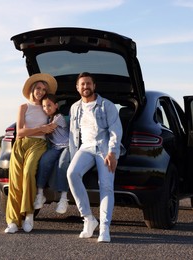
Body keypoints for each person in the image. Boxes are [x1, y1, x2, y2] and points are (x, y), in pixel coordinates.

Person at [67, 72, 123, 243]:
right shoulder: (75, 108)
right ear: (77, 88)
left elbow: (115, 130)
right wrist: (72, 156)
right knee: (72, 174)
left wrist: (112, 153)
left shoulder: (107, 105)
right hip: (85, 148)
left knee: (105, 185)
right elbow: (72, 135)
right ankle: (88, 219)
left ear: (94, 86)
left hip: (104, 149)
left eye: (88, 83)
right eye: (82, 84)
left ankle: (105, 228)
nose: (85, 87)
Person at [4, 73, 58, 234]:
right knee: (15, 181)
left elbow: (55, 124)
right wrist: (41, 128)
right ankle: (13, 221)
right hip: (21, 145)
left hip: (39, 145)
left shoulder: (46, 108)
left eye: (44, 89)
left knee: (28, 174)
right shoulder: (23, 107)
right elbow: (19, 132)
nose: (41, 91)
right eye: (38, 88)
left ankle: (29, 215)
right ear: (32, 90)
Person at [34, 94, 70, 214]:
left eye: (49, 105)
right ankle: (40, 194)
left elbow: (49, 128)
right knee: (44, 160)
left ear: (56, 106)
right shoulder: (47, 119)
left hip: (67, 146)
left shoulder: (59, 117)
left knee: (62, 164)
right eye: (44, 106)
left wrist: (35, 128)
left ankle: (63, 198)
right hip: (55, 148)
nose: (46, 108)